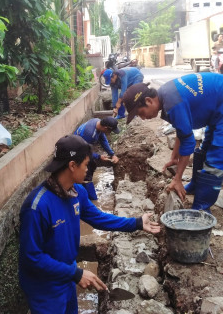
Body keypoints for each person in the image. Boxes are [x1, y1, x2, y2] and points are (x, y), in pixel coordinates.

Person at [19, 135, 160, 314]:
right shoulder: (37, 207)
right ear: (72, 165)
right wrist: (76, 273)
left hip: (67, 276)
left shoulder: (77, 192)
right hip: (45, 287)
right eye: (85, 165)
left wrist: (136, 223)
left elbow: (99, 218)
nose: (87, 170)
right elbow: (32, 257)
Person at [122, 73, 223, 213]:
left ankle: (201, 207)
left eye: (140, 113)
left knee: (220, 154)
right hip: (218, 106)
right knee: (206, 146)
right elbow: (182, 131)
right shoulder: (165, 96)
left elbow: (189, 142)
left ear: (149, 101)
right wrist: (174, 157)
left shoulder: (172, 101)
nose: (143, 118)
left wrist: (178, 178)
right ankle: (195, 185)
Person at [74, 117, 120, 202]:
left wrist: (112, 154)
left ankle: (87, 191)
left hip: (84, 148)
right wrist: (98, 156)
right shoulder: (89, 134)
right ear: (106, 128)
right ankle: (91, 199)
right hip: (76, 151)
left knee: (92, 164)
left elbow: (103, 140)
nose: (109, 133)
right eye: (110, 131)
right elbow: (84, 152)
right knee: (86, 174)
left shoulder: (98, 123)